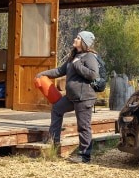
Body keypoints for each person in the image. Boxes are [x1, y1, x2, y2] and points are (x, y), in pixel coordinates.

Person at [36, 30, 100, 163]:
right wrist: (42, 74)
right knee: (57, 108)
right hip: (72, 97)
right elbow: (59, 71)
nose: (75, 39)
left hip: (84, 98)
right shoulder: (74, 56)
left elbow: (93, 74)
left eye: (78, 38)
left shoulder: (89, 57)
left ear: (83, 42)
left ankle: (85, 156)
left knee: (83, 126)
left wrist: (77, 65)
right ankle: (54, 142)